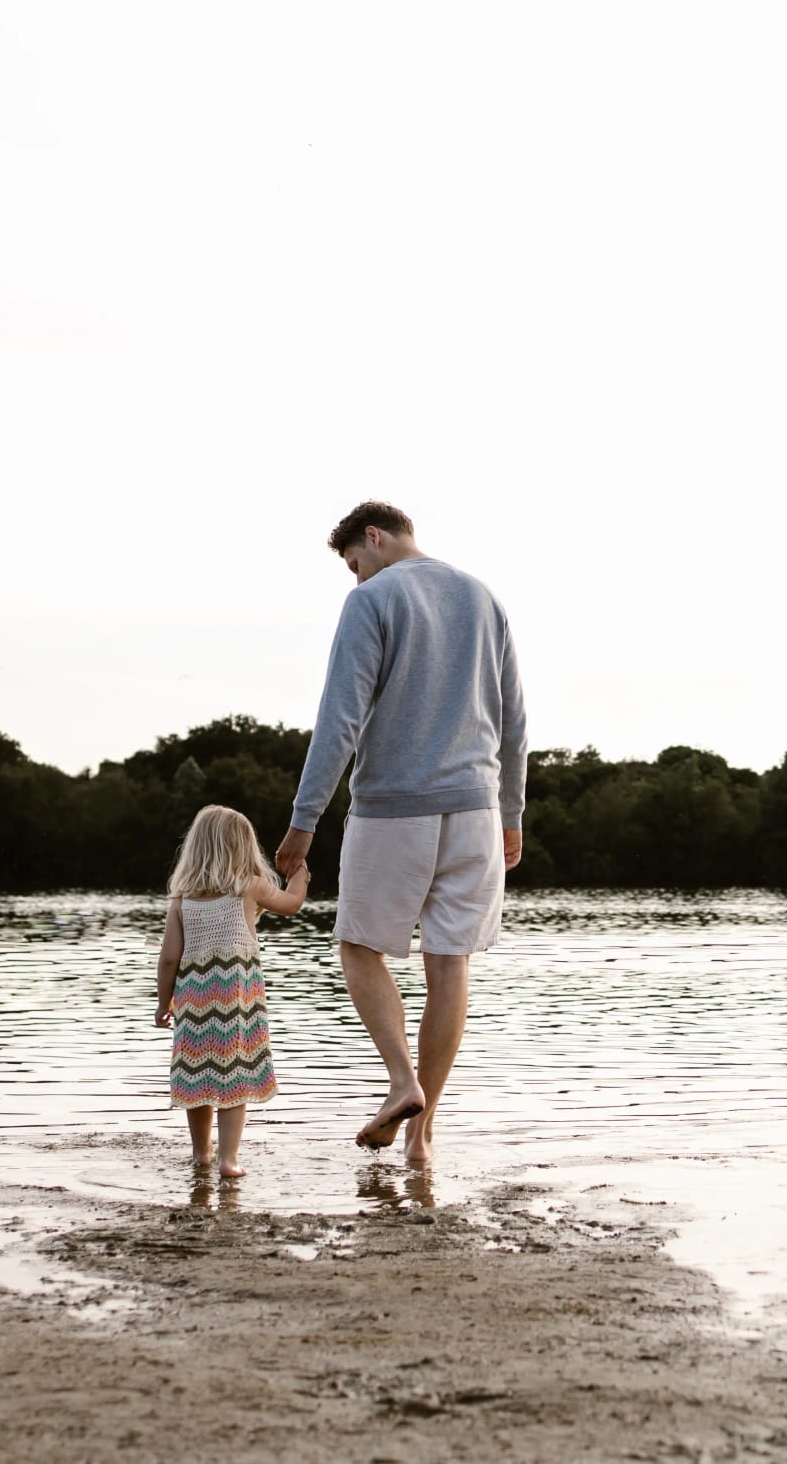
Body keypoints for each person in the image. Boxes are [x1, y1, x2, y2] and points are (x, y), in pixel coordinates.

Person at [279, 501, 525, 1168]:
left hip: (394, 808)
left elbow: (339, 721)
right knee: (451, 964)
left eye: (355, 565)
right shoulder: (483, 597)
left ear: (375, 537)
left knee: (358, 947)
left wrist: (305, 821)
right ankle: (423, 1135)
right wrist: (511, 811)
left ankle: (401, 1082)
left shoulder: (374, 600)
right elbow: (513, 718)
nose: (356, 579)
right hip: (475, 811)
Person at [156, 803, 308, 1181]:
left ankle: (199, 1154)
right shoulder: (249, 888)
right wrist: (300, 875)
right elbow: (291, 904)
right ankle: (229, 1159)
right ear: (243, 849)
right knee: (234, 1079)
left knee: (197, 1077)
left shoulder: (182, 900)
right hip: (237, 1005)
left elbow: (168, 960)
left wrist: (164, 1003)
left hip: (192, 1005)